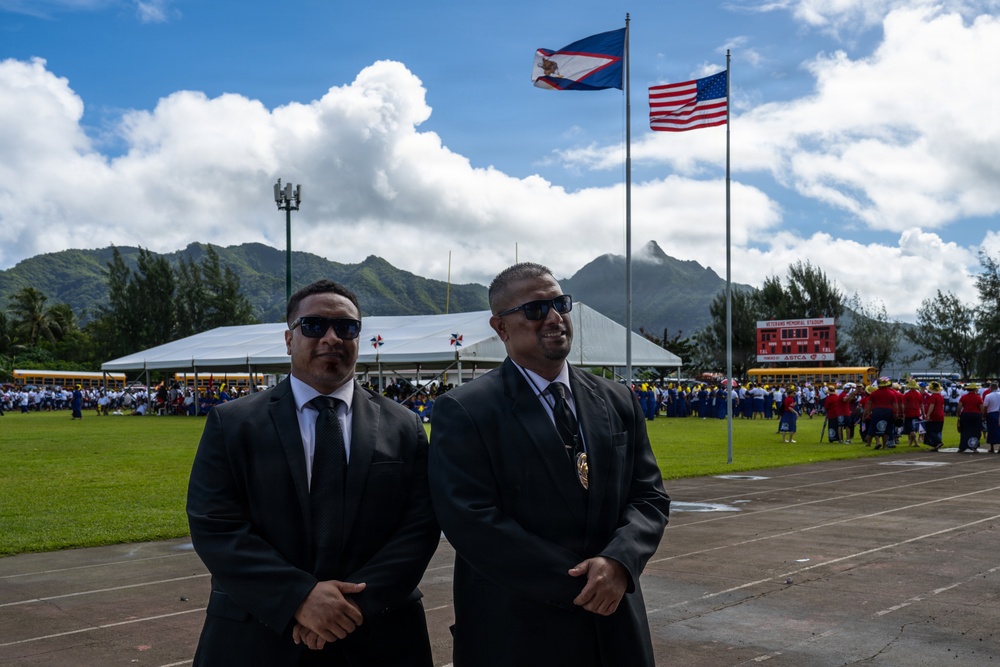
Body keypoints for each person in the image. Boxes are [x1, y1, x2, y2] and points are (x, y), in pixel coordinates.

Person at [186, 279, 440, 666]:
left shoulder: (404, 424)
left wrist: (348, 607)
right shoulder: (233, 422)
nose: (332, 337)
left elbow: (419, 526)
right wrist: (298, 598)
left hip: (378, 631)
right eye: (314, 326)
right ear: (289, 339)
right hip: (259, 634)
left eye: (347, 327)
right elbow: (215, 523)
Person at [428, 263, 670, 667]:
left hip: (615, 625)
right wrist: (584, 583)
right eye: (536, 309)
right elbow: (470, 520)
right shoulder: (466, 410)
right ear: (501, 327)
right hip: (519, 629)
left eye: (560, 303)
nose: (555, 318)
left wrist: (618, 563)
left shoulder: (617, 400)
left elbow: (648, 495)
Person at [957, 382, 985, 452]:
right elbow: (982, 408)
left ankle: (962, 447)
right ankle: (974, 447)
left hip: (965, 415)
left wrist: (958, 413)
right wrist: (983, 415)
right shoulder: (978, 398)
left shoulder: (963, 397)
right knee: (976, 431)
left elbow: (959, 406)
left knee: (964, 431)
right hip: (976, 415)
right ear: (975, 390)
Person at [923, 381, 946, 450]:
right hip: (940, 415)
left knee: (929, 431)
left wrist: (928, 414)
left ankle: (938, 442)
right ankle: (936, 444)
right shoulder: (941, 396)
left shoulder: (933, 396)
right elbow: (942, 406)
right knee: (937, 431)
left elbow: (931, 406)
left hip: (934, 415)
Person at [984, 382, 1000, 454]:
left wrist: (984, 414)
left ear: (991, 388)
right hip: (998, 413)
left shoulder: (988, 396)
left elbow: (985, 406)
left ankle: (992, 447)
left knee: (991, 430)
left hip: (991, 413)